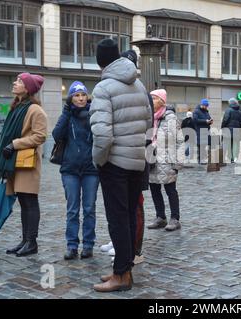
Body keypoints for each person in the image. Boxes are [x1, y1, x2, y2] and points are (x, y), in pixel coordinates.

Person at [89, 39, 152, 292]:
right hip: (136, 160)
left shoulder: (104, 88)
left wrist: (99, 159)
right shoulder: (138, 84)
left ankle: (122, 275)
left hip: (114, 162)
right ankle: (124, 270)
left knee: (117, 219)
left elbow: (102, 135)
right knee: (127, 217)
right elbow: (147, 121)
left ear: (100, 62)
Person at [0, 73, 47, 257]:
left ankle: (32, 242)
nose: (15, 83)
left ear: (28, 88)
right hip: (15, 162)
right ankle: (25, 240)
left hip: (27, 162)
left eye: (20, 81)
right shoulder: (17, 107)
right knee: (23, 201)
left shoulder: (35, 110)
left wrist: (14, 144)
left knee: (30, 201)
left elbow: (40, 136)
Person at [52, 81, 99, 260]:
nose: (80, 98)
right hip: (70, 169)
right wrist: (66, 112)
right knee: (72, 210)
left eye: (83, 95)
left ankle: (88, 245)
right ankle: (72, 246)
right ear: (71, 98)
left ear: (87, 97)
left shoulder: (94, 114)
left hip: (90, 170)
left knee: (89, 208)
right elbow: (56, 135)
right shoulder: (68, 115)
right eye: (76, 95)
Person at [147, 89, 185, 231]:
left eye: (154, 98)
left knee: (170, 190)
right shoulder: (149, 117)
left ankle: (175, 219)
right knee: (154, 189)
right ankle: (160, 217)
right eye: (150, 97)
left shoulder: (171, 118)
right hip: (152, 159)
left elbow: (180, 142)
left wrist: (177, 163)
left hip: (168, 160)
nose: (151, 100)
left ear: (162, 101)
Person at [221, 98, 241, 163]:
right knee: (234, 145)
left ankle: (223, 158)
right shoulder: (240, 111)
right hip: (236, 130)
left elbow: (225, 120)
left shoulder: (228, 110)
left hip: (228, 130)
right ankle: (232, 158)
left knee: (226, 144)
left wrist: (222, 126)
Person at [193, 98, 213, 164]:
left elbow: (209, 118)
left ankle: (203, 159)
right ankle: (200, 160)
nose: (206, 107)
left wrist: (210, 121)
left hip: (206, 130)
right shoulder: (196, 111)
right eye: (205, 105)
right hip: (199, 130)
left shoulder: (206, 111)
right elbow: (195, 120)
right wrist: (205, 121)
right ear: (202, 104)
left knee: (204, 145)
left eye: (207, 106)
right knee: (200, 145)